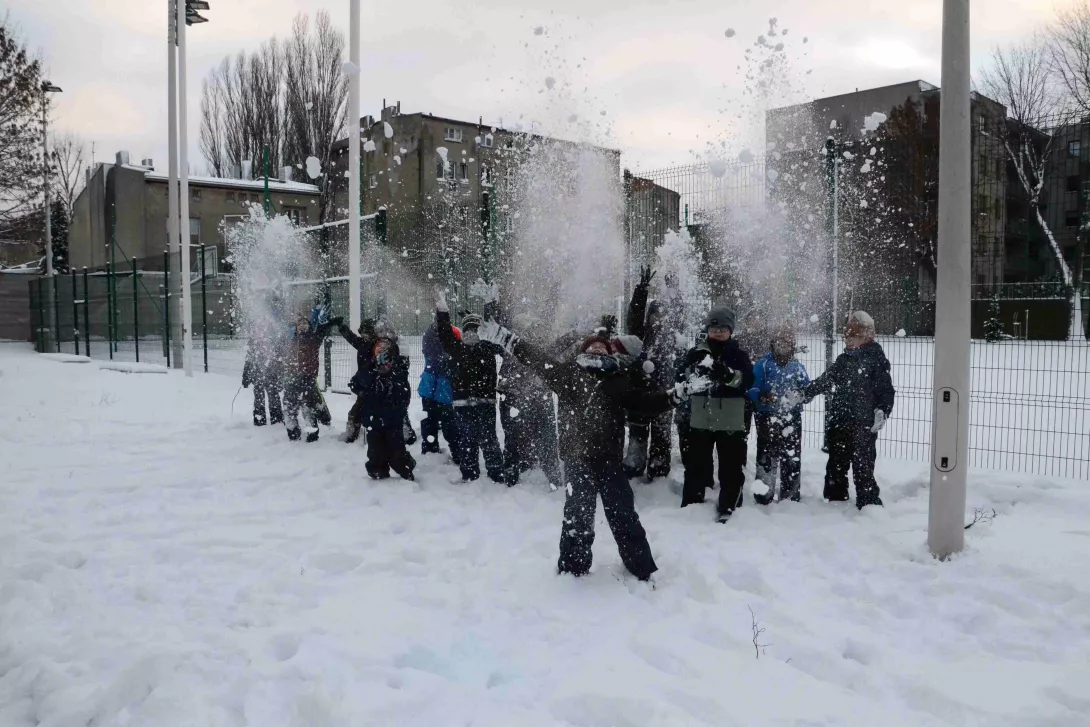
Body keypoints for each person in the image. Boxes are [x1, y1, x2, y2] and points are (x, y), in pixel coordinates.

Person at [477, 320, 707, 583]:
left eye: (602, 346)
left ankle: (641, 568)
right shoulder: (567, 374)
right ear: (583, 350)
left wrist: (677, 394)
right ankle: (572, 570)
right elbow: (536, 359)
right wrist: (505, 337)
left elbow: (645, 403)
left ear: (610, 352)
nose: (597, 347)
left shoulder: (618, 380)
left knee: (623, 514)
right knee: (578, 516)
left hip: (609, 461)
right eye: (592, 345)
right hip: (577, 460)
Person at [800, 311, 895, 509]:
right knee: (836, 463)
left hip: (864, 424)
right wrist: (806, 393)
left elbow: (885, 390)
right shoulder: (844, 360)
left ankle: (868, 503)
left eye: (854, 336)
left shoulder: (876, 359)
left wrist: (882, 410)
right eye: (847, 336)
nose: (848, 340)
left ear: (867, 336)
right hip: (840, 419)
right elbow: (827, 379)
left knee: (863, 465)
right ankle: (835, 499)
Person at [677, 307, 755, 522]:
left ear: (730, 330)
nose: (718, 332)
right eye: (713, 328)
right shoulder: (697, 353)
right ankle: (692, 503)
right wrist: (692, 372)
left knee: (731, 465)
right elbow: (681, 376)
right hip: (701, 415)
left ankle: (729, 505)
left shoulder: (738, 354)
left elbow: (748, 380)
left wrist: (728, 375)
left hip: (731, 417)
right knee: (696, 464)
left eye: (723, 328)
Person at [435, 291, 506, 483]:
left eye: (476, 329)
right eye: (470, 329)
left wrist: (492, 307)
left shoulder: (482, 347)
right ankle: (479, 473)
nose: (473, 333)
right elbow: (444, 334)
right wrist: (442, 312)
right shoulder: (464, 348)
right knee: (474, 440)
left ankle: (486, 472)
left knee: (481, 439)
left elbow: (500, 335)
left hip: (478, 403)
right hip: (471, 403)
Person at [622, 266, 680, 481]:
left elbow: (678, 314)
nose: (658, 319)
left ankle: (659, 466)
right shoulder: (640, 334)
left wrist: (673, 292)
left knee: (661, 430)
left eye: (662, 316)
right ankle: (635, 463)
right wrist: (641, 290)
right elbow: (634, 317)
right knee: (637, 428)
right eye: (654, 315)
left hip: (663, 389)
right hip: (639, 389)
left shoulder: (670, 336)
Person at [498, 314, 562, 489]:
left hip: (538, 396)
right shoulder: (511, 344)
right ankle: (513, 470)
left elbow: (559, 345)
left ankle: (552, 475)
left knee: (546, 437)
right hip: (515, 395)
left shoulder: (543, 347)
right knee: (514, 435)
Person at [747, 322, 810, 504]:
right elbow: (752, 388)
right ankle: (763, 494)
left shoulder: (797, 367)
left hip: (792, 416)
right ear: (773, 343)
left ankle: (790, 495)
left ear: (792, 345)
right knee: (766, 455)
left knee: (792, 455)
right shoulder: (763, 364)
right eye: (779, 341)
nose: (783, 345)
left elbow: (807, 390)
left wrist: (801, 395)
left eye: (787, 342)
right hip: (766, 416)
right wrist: (762, 396)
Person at [352, 325, 415, 480]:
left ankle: (406, 467)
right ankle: (378, 473)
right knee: (375, 454)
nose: (381, 349)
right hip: (373, 418)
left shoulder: (397, 368)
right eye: (378, 346)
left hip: (392, 419)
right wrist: (372, 368)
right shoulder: (369, 366)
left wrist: (388, 375)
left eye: (385, 347)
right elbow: (356, 383)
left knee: (397, 454)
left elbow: (403, 392)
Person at [283, 309, 342, 442]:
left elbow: (321, 331)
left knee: (308, 408)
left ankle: (312, 435)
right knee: (288, 407)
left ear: (309, 326)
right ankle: (293, 434)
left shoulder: (313, 339)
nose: (302, 325)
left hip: (307, 378)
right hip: (291, 379)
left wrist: (325, 323)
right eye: (299, 324)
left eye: (305, 323)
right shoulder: (291, 341)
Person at [418, 319, 461, 463]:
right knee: (449, 423)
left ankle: (431, 449)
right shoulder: (450, 337)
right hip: (443, 390)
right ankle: (457, 453)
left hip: (430, 388)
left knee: (432, 420)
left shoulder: (429, 338)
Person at [336, 317, 378, 443]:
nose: (365, 335)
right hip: (363, 385)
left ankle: (374, 438)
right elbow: (350, 337)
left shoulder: (377, 346)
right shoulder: (361, 343)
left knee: (371, 414)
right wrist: (341, 326)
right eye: (363, 332)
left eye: (368, 332)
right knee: (354, 414)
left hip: (375, 386)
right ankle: (351, 435)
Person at [241, 304, 284, 427]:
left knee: (273, 394)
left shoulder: (275, 338)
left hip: (272, 371)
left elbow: (279, 359)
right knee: (259, 395)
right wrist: (246, 374)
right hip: (257, 371)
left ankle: (276, 418)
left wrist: (280, 375)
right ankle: (260, 419)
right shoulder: (253, 342)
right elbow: (249, 358)